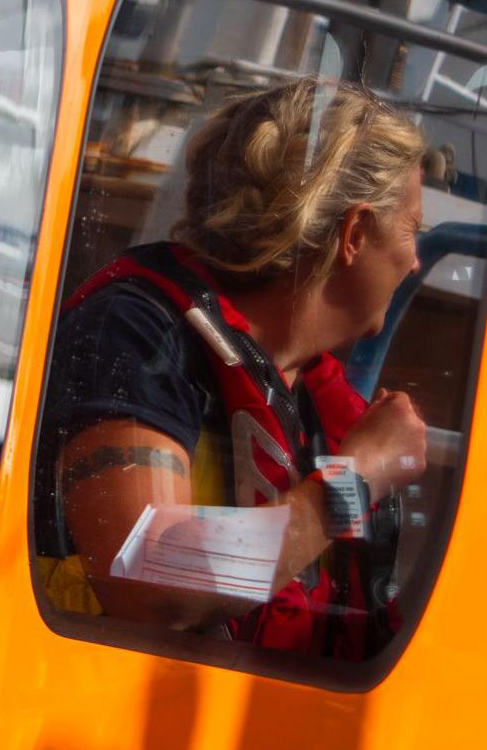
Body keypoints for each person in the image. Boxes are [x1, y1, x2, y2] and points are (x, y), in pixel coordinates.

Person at [39, 77, 428, 660]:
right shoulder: (134, 332)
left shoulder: (312, 404)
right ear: (355, 233)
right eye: (412, 230)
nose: (416, 259)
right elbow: (149, 582)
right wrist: (357, 478)